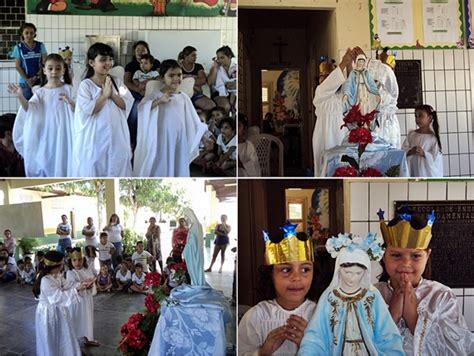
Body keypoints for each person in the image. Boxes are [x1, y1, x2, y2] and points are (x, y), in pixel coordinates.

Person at [375, 208, 474, 355]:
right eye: (396, 255)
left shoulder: (441, 296)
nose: (406, 264)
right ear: (383, 255)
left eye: (415, 256)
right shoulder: (371, 295)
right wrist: (390, 317)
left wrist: (415, 320)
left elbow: (459, 349)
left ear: (427, 256)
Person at [298, 232, 404, 355]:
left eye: (358, 273)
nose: (352, 279)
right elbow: (316, 335)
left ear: (365, 272)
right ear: (339, 269)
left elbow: (387, 334)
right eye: (348, 273)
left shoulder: (372, 296)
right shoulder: (329, 298)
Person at [238, 223, 319, 355]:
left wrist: (310, 346)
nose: (296, 278)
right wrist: (262, 352)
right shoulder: (255, 317)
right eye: (286, 270)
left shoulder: (321, 316)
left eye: (305, 269)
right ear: (271, 275)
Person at [134, 59, 207, 177]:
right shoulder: (156, 95)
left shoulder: (184, 97)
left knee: (178, 165)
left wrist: (202, 132)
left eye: (179, 75)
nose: (176, 78)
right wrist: (159, 101)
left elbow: (192, 120)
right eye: (171, 75)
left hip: (179, 138)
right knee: (162, 164)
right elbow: (142, 109)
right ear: (162, 78)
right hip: (162, 138)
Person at [9, 53, 74, 177]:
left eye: (58, 68)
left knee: (64, 157)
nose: (54, 71)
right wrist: (20, 96)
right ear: (44, 70)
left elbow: (78, 110)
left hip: (64, 133)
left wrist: (70, 102)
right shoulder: (40, 92)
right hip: (46, 133)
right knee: (46, 158)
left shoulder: (69, 89)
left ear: (63, 70)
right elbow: (29, 109)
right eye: (50, 68)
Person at [73, 42, 133, 177]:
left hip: (116, 133)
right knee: (97, 163)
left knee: (117, 164)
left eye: (110, 59)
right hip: (96, 136)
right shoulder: (86, 85)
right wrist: (104, 96)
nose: (108, 63)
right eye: (103, 60)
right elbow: (88, 110)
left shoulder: (117, 82)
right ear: (92, 62)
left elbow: (127, 103)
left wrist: (112, 95)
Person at [33, 250, 88, 356]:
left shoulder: (57, 274)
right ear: (56, 265)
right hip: (48, 313)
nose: (63, 266)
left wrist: (80, 285)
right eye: (62, 263)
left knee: (63, 333)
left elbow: (67, 285)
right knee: (51, 336)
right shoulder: (45, 280)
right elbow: (57, 297)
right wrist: (76, 290)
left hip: (59, 310)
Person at [312, 49, 353, 176]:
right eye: (321, 76)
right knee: (324, 168)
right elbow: (328, 85)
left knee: (341, 167)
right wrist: (343, 63)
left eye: (327, 76)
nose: (323, 79)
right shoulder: (320, 92)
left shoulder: (340, 96)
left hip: (340, 135)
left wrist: (350, 65)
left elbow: (351, 89)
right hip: (323, 135)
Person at [124, 41, 160, 150]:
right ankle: (132, 141)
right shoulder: (131, 66)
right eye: (137, 50)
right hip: (136, 94)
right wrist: (138, 90)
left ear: (148, 51)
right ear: (134, 53)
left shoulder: (156, 63)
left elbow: (160, 77)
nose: (140, 52)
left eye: (143, 50)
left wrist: (147, 83)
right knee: (134, 111)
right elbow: (127, 82)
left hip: (153, 94)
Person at [66, 247, 99, 347]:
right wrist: (81, 285)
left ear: (83, 259)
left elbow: (92, 277)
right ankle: (73, 340)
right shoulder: (70, 273)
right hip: (77, 301)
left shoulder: (87, 269)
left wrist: (91, 283)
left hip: (87, 299)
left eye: (79, 260)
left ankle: (88, 338)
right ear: (70, 261)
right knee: (76, 318)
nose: (77, 263)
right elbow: (71, 285)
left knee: (87, 318)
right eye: (74, 260)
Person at [402, 104, 443, 177]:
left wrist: (425, 154)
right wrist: (410, 151)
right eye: (416, 116)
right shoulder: (411, 134)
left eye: (420, 116)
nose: (417, 119)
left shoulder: (433, 138)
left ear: (430, 118)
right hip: (412, 171)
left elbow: (436, 159)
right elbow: (403, 150)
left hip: (426, 174)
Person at [11, 22, 48, 100]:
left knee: (41, 105)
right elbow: (18, 66)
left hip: (40, 80)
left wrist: (36, 76)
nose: (29, 35)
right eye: (26, 33)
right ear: (22, 33)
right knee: (27, 106)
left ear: (34, 34)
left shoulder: (40, 45)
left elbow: (45, 63)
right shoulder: (18, 48)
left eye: (32, 33)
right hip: (25, 83)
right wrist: (27, 80)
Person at [178, 45, 216, 113]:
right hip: (181, 94)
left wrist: (185, 79)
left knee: (211, 105)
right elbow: (176, 81)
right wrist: (195, 83)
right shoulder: (178, 66)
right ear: (185, 56)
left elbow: (203, 80)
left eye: (196, 55)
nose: (195, 57)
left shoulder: (198, 66)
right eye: (193, 55)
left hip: (195, 94)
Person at [207, 46, 236, 114]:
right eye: (218, 58)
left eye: (222, 57)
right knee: (225, 106)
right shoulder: (215, 67)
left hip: (233, 92)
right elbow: (210, 82)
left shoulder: (235, 68)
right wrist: (215, 68)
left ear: (229, 57)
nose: (219, 60)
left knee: (236, 104)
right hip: (219, 92)